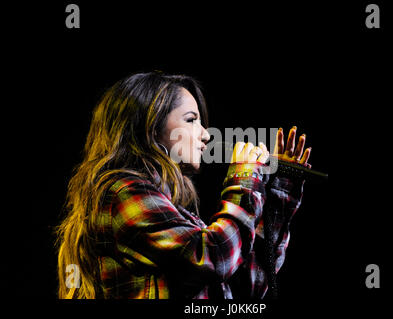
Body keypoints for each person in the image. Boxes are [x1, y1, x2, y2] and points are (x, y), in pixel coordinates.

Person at [56, 71, 312, 299]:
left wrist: (279, 192)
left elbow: (247, 288)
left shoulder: (174, 214)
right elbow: (211, 258)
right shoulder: (120, 192)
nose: (206, 134)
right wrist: (244, 179)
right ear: (150, 127)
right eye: (191, 120)